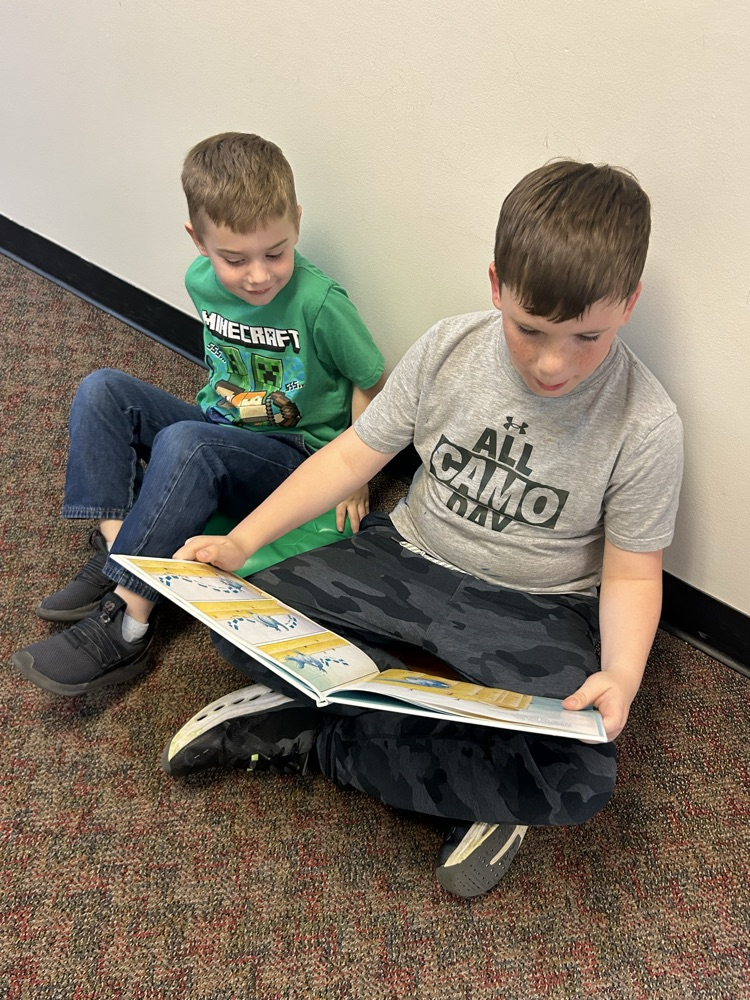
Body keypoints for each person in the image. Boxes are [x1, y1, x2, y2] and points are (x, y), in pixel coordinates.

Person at [163, 160, 683, 899]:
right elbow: (353, 455)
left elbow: (632, 571)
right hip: (406, 558)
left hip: (535, 608)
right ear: (497, 284)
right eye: (530, 329)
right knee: (240, 615)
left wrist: (623, 675)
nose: (553, 363)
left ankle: (316, 731)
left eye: (587, 337)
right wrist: (241, 544)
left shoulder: (647, 422)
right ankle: (461, 770)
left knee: (581, 773)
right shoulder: (448, 348)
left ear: (629, 304)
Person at [12, 132, 385, 696]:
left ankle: (129, 618)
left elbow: (372, 381)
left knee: (189, 443)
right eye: (235, 259)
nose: (258, 275)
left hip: (296, 459)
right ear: (199, 241)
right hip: (220, 429)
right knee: (102, 389)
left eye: (275, 253)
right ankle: (122, 547)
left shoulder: (320, 303)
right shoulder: (198, 281)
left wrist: (357, 474)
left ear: (297, 223)